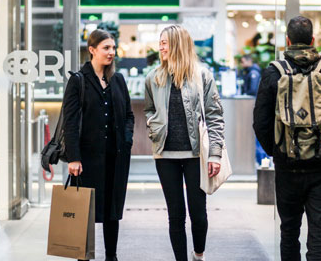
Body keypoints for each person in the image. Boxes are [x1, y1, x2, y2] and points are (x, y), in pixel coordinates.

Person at [253, 16, 321, 260]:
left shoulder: (273, 73)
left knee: (289, 231)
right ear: (313, 40)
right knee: (319, 231)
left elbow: (261, 122)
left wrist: (276, 152)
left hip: (287, 166)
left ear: (287, 40)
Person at [144, 25, 225, 261]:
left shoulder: (202, 76)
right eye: (160, 42)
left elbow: (215, 115)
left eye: (165, 42)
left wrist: (215, 154)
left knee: (198, 214)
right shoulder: (153, 78)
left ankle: (198, 254)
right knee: (175, 215)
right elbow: (149, 108)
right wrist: (153, 127)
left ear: (178, 44)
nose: (160, 47)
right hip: (165, 155)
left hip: (195, 155)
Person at [63, 29, 135, 261]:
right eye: (106, 48)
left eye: (113, 48)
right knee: (85, 210)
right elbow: (70, 122)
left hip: (115, 157)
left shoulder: (118, 79)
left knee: (112, 210)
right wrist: (74, 157)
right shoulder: (78, 81)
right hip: (87, 159)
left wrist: (126, 139)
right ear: (92, 50)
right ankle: (83, 256)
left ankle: (111, 256)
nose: (111, 52)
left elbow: (129, 116)